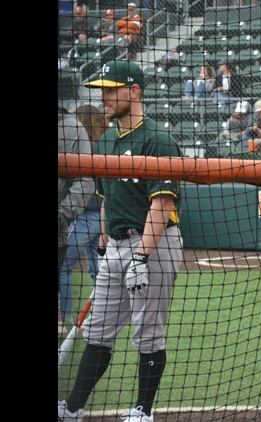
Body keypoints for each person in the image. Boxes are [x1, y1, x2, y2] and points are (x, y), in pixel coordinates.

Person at [58, 60, 185, 422]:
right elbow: (104, 198)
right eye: (102, 90)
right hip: (114, 245)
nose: (104, 97)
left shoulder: (158, 139)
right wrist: (103, 242)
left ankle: (143, 412)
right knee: (98, 331)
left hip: (153, 245)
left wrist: (141, 256)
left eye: (112, 90)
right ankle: (72, 408)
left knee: (148, 333)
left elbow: (162, 204)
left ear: (135, 91)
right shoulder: (107, 140)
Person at [59, 104, 107, 328]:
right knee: (96, 269)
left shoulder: (90, 150)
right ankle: (106, 311)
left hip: (91, 215)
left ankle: (64, 318)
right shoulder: (103, 146)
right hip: (100, 215)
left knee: (63, 264)